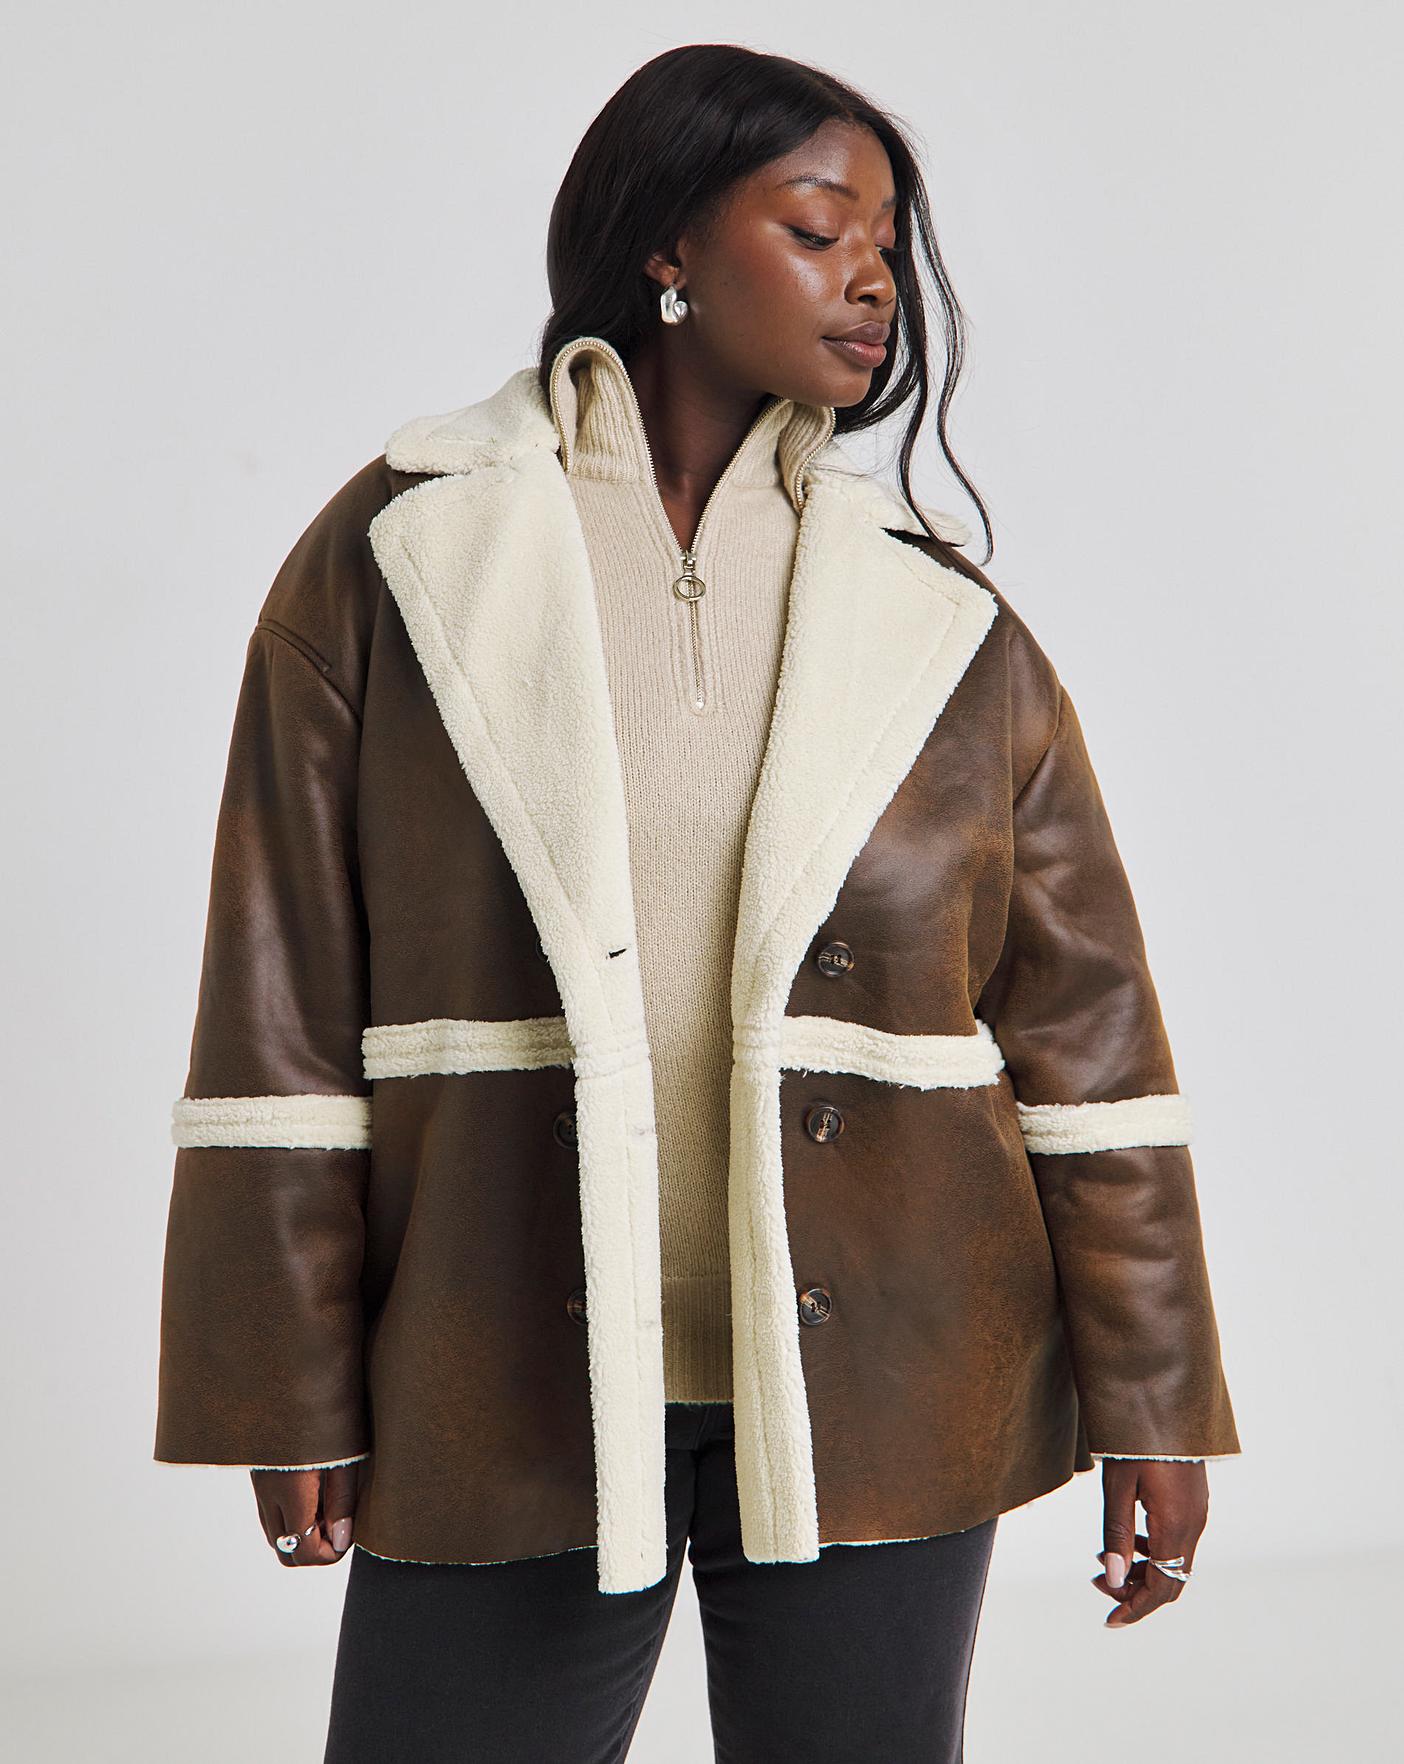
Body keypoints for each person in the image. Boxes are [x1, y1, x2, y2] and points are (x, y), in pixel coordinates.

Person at [154, 42, 1242, 1763]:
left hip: (890, 1380)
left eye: (887, 243)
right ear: (666, 245)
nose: (874, 279)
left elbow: (1088, 1033)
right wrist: (279, 1377)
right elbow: (276, 990)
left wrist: (1159, 1398)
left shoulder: (941, 620)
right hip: (497, 1357)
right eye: (818, 229)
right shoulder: (403, 554)